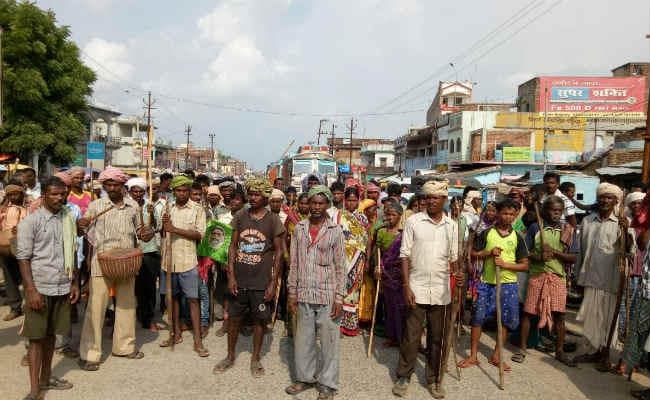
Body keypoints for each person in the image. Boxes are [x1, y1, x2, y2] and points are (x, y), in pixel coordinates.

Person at [77, 166, 153, 371]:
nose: (111, 188)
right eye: (108, 184)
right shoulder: (96, 206)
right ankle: (90, 354)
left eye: (115, 184)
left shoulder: (133, 206)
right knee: (96, 308)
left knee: (127, 306)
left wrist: (146, 233)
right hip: (102, 262)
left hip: (127, 262)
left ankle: (124, 347)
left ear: (122, 185)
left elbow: (140, 232)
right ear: (104, 186)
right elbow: (82, 229)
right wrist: (81, 224)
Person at [392, 180, 460, 399]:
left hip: (441, 290)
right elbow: (404, 255)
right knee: (411, 336)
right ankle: (404, 376)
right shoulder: (413, 222)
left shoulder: (452, 226)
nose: (431, 201)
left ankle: (434, 378)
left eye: (436, 197)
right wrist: (406, 286)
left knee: (437, 338)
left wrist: (458, 275)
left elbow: (454, 260)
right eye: (428, 197)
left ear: (444, 200)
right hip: (417, 287)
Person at [213, 178, 285, 377]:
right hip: (240, 280)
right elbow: (232, 246)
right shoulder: (240, 216)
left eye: (257, 195)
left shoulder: (273, 220)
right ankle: (230, 356)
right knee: (234, 319)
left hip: (261, 282)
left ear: (265, 197)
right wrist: (231, 276)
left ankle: (255, 358)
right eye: (250, 194)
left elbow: (279, 252)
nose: (252, 198)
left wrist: (273, 283)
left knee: (259, 321)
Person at [16, 176, 79, 400]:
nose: (59, 198)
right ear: (44, 195)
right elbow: (23, 259)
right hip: (40, 287)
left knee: (51, 335)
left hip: (62, 285)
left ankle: (46, 378)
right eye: (54, 194)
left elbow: (72, 251)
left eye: (62, 194)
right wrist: (31, 290)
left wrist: (74, 282)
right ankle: (34, 389)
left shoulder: (68, 219)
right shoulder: (31, 222)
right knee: (36, 339)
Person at [285, 185, 345, 400]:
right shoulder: (299, 228)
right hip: (304, 292)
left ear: (328, 204)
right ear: (308, 204)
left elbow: (341, 266)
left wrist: (340, 297)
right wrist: (292, 292)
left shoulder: (335, 231)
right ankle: (305, 378)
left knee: (329, 343)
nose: (317, 207)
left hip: (328, 294)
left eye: (321, 203)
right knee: (303, 340)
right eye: (313, 202)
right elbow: (294, 262)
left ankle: (327, 384)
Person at [458, 199, 529, 373]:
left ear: (515, 216)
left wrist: (506, 265)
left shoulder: (517, 237)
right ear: (498, 213)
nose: (508, 217)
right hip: (487, 283)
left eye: (511, 214)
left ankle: (496, 356)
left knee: (504, 321)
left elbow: (525, 265)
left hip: (508, 285)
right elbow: (473, 253)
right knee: (477, 318)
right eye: (504, 213)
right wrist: (488, 253)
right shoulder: (487, 233)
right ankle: (473, 356)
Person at [511, 196, 577, 366]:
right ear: (545, 211)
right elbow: (525, 252)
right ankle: (522, 348)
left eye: (559, 211)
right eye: (553, 210)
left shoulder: (567, 229)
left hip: (557, 277)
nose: (556, 214)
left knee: (559, 315)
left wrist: (555, 252)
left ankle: (560, 351)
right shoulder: (535, 227)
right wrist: (539, 256)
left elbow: (573, 257)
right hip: (537, 275)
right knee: (529, 313)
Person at [572, 183, 625, 369]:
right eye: (602, 197)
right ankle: (593, 351)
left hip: (610, 281)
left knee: (607, 319)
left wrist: (627, 232)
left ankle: (605, 353)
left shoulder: (621, 223)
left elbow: (629, 251)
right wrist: (577, 276)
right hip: (590, 278)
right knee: (591, 319)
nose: (605, 200)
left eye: (609, 197)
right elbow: (581, 251)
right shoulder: (588, 221)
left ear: (616, 201)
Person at [159, 175, 209, 356]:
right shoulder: (168, 207)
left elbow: (200, 234)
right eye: (178, 191)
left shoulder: (197, 209)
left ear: (189, 191)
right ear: (174, 192)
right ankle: (175, 334)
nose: (181, 193)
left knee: (193, 300)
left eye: (185, 191)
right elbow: (162, 233)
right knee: (172, 299)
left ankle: (198, 341)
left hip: (188, 261)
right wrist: (164, 226)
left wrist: (175, 229)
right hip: (168, 261)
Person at [330, 186, 368, 336]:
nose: (351, 203)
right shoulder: (338, 215)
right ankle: (336, 322)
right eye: (349, 200)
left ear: (358, 201)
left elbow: (366, 239)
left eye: (354, 200)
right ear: (345, 201)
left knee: (352, 292)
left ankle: (350, 324)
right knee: (339, 289)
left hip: (357, 259)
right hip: (341, 258)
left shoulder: (363, 218)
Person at [127, 177, 164, 332]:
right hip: (131, 251)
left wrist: (152, 215)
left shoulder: (149, 206)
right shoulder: (126, 206)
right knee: (134, 287)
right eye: (134, 191)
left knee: (149, 286)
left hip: (149, 251)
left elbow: (158, 226)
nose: (137, 194)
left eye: (140, 191)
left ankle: (148, 318)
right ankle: (135, 315)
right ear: (130, 192)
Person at [369, 199, 404, 347]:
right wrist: (377, 267)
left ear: (400, 216)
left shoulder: (404, 234)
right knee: (388, 306)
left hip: (401, 275)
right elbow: (377, 252)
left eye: (393, 215)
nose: (390, 217)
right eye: (388, 214)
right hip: (386, 273)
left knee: (400, 307)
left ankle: (402, 338)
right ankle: (391, 336)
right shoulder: (381, 232)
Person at [214, 186, 247, 337]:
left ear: (243, 202)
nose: (234, 201)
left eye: (238, 199)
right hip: (226, 262)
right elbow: (217, 242)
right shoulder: (223, 219)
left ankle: (241, 324)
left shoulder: (248, 218)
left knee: (243, 294)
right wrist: (223, 260)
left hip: (244, 261)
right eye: (232, 198)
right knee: (228, 294)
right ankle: (226, 324)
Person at [0, 182, 28, 321]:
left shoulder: (29, 207)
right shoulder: (5, 208)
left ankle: (31, 306)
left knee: (27, 276)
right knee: (9, 277)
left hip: (25, 245)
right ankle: (15, 307)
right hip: (6, 245)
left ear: (21, 194)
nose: (12, 197)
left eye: (15, 194)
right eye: (10, 195)